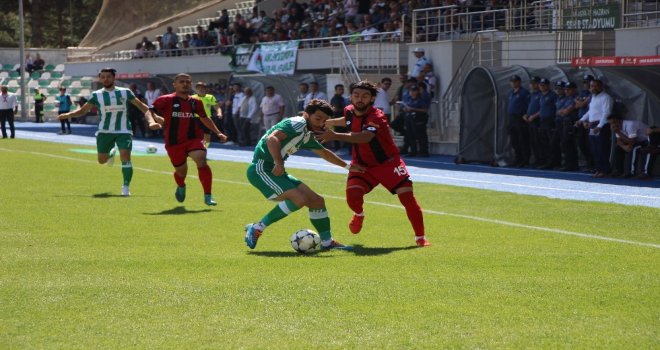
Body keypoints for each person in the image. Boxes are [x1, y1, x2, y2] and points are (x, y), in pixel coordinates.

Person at [318, 80, 431, 247]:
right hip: (362, 164)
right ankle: (359, 214)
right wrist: (328, 122)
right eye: (356, 95)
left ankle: (420, 238)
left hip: (388, 164)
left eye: (365, 96)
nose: (360, 99)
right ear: (351, 97)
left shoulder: (376, 116)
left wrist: (334, 135)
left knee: (407, 197)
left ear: (372, 99)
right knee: (352, 195)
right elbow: (348, 120)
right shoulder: (349, 110)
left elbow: (365, 137)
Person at [243, 99, 363, 250]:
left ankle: (326, 242)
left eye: (324, 120)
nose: (320, 123)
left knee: (317, 201)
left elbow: (324, 153)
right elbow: (271, 138)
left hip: (275, 171)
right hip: (261, 170)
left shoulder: (307, 134)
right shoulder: (298, 123)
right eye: (317, 118)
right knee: (299, 199)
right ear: (307, 114)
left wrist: (348, 166)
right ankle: (257, 227)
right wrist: (279, 162)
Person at [58, 68, 155, 197]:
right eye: (102, 77)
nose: (105, 79)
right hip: (104, 131)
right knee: (102, 161)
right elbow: (83, 111)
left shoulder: (126, 92)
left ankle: (125, 187)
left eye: (108, 76)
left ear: (114, 78)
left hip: (123, 130)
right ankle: (110, 154)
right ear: (100, 78)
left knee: (125, 157)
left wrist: (152, 120)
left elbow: (143, 107)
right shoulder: (96, 95)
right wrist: (67, 115)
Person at [146, 73, 228, 206]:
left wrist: (218, 133)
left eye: (187, 82)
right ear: (175, 84)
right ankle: (181, 185)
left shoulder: (196, 102)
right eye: (181, 82)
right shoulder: (165, 99)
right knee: (181, 171)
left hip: (193, 139)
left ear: (190, 85)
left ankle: (208, 195)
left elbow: (205, 118)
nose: (185, 84)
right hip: (174, 142)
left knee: (201, 159)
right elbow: (149, 111)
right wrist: (151, 122)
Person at [577, 79, 613, 178]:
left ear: (601, 87)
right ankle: (599, 169)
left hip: (601, 126)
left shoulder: (606, 97)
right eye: (592, 86)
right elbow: (590, 112)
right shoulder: (593, 97)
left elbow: (607, 113)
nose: (594, 88)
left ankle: (605, 170)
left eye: (596, 86)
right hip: (592, 125)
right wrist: (581, 120)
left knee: (602, 148)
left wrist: (599, 126)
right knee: (594, 148)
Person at [506, 75, 530, 167]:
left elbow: (529, 105)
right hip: (512, 118)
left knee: (522, 140)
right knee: (514, 140)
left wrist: (526, 114)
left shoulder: (524, 92)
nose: (513, 83)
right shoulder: (511, 92)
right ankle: (518, 159)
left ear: (519, 82)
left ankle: (525, 160)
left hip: (520, 118)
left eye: (515, 81)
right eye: (512, 81)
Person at [401, 85, 430, 157]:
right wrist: (405, 109)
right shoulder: (408, 99)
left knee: (421, 135)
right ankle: (413, 150)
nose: (412, 93)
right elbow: (403, 107)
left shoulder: (420, 100)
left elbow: (425, 110)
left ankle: (423, 151)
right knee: (410, 135)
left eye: (414, 91)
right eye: (411, 91)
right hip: (409, 118)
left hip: (418, 118)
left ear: (417, 92)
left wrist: (413, 109)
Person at [193, 81, 222, 147]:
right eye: (198, 88)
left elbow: (217, 107)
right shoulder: (192, 97)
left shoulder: (210, 97)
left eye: (202, 88)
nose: (200, 89)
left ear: (205, 89)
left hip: (207, 119)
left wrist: (219, 113)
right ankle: (197, 149)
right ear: (196, 89)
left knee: (207, 137)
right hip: (196, 119)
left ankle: (204, 149)